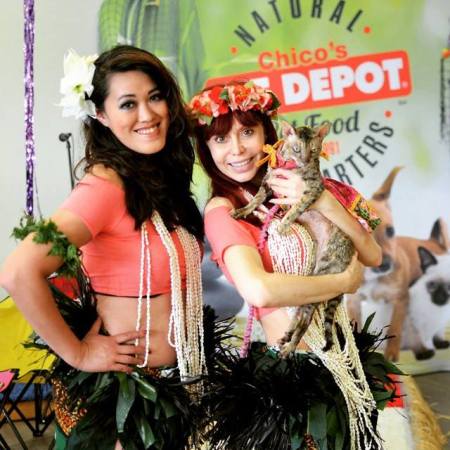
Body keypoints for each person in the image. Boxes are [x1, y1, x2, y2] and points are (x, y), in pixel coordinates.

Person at [0, 45, 207, 450]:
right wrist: (77, 354)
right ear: (101, 115)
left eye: (155, 97)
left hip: (175, 391)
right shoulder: (104, 186)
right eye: (128, 104)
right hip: (122, 406)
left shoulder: (159, 179)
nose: (147, 114)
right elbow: (19, 271)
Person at [189, 82, 397, 450]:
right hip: (293, 376)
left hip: (340, 358)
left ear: (268, 135)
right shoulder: (223, 211)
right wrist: (343, 281)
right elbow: (260, 290)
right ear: (206, 149)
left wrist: (325, 203)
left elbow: (373, 255)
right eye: (220, 139)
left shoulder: (298, 188)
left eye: (248, 132)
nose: (237, 149)